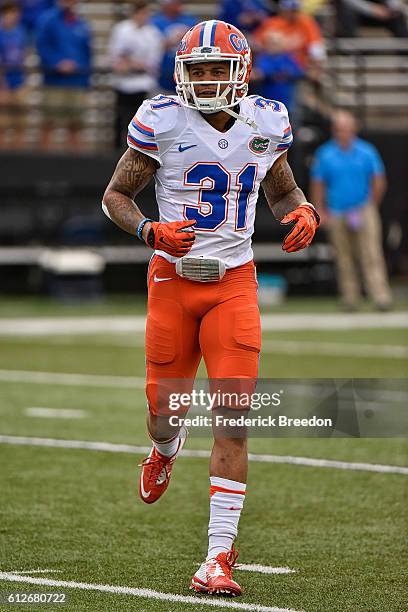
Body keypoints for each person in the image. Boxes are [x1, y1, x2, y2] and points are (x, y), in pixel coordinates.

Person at [102, 20, 320, 596]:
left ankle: (217, 558)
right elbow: (115, 196)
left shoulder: (265, 121)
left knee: (233, 419)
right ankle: (164, 449)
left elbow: (283, 190)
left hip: (234, 284)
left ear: (241, 72)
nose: (203, 79)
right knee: (164, 412)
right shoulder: (163, 120)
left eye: (214, 68)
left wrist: (304, 211)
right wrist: (150, 229)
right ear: (180, 73)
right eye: (194, 69)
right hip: (172, 281)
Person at [310, 110, 392, 311]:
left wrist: (370, 205)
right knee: (343, 256)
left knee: (371, 253)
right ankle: (350, 297)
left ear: (353, 129)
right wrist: (320, 210)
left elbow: (378, 181)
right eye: (338, 129)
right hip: (337, 211)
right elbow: (318, 184)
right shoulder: (325, 153)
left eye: (346, 128)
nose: (342, 133)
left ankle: (380, 296)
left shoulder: (367, 151)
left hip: (363, 208)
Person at [36, 0, 92, 151]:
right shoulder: (48, 20)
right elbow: (42, 47)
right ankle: (42, 163)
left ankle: (75, 166)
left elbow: (87, 53)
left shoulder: (82, 24)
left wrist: (86, 79)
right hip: (54, 82)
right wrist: (57, 63)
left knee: (76, 125)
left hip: (77, 82)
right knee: (49, 123)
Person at [109, 0, 163, 149]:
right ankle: (117, 149)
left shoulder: (153, 33)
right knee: (120, 119)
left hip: (143, 84)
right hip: (122, 83)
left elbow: (153, 62)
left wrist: (132, 64)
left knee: (140, 120)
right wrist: (131, 64)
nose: (143, 16)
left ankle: (137, 149)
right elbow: (116, 59)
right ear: (134, 13)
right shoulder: (121, 30)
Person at [254, 0, 326, 76]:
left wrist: (316, 69)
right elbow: (257, 44)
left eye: (295, 11)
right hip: (272, 67)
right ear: (283, 10)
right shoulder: (272, 23)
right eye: (290, 10)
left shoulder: (305, 22)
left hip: (297, 68)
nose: (293, 14)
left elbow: (316, 48)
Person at [150, 0, 195, 95]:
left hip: (185, 71)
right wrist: (169, 42)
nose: (179, 6)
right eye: (175, 3)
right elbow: (150, 47)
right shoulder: (154, 22)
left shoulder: (190, 21)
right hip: (161, 72)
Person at [253, 31, 304, 112]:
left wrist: (285, 73)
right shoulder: (263, 58)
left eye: (276, 43)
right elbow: (260, 73)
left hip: (287, 99)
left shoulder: (288, 57)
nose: (274, 46)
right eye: (271, 43)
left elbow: (299, 72)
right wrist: (278, 72)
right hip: (268, 100)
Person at [0, 0, 28, 149]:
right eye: (8, 13)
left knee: (20, 125)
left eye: (15, 12)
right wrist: (2, 88)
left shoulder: (20, 32)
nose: (12, 16)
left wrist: (24, 83)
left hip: (19, 84)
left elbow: (22, 57)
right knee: (3, 125)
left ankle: (19, 161)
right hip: (4, 85)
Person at [335, 0, 408, 38]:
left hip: (383, 13)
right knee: (346, 12)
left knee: (398, 16)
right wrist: (372, 9)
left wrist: (392, 10)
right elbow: (349, 2)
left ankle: (404, 53)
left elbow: (395, 4)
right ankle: (351, 51)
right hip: (358, 14)